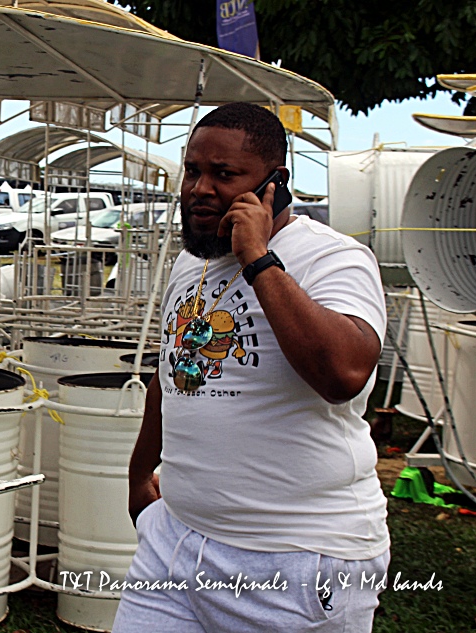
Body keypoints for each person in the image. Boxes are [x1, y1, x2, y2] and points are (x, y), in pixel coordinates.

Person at [113, 103, 389, 632]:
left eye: (224, 174)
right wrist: (136, 473)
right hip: (176, 543)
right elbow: (171, 375)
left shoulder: (331, 258)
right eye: (193, 171)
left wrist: (258, 259)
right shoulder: (191, 262)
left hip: (296, 559)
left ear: (275, 183)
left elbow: (344, 375)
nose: (199, 188)